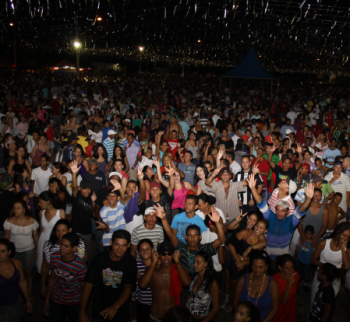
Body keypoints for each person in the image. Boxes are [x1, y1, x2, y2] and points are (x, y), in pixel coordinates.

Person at [247, 174, 314, 259]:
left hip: (283, 254)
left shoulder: (291, 218)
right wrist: (253, 188)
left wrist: (308, 199)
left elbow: (300, 211)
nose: (279, 212)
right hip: (267, 250)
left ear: (288, 211)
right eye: (277, 209)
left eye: (283, 211)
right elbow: (261, 203)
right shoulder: (271, 213)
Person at [78, 230, 137, 322]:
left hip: (120, 312)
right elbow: (88, 285)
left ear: (129, 245)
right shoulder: (99, 259)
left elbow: (129, 287)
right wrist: (82, 312)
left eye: (123, 245)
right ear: (111, 243)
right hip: (100, 311)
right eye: (117, 244)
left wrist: (115, 307)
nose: (119, 248)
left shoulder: (130, 262)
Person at [138, 241, 191, 321]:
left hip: (172, 318)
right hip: (154, 317)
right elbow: (142, 285)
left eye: (169, 254)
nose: (166, 257)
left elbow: (187, 283)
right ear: (159, 255)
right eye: (163, 254)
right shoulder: (153, 271)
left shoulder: (179, 270)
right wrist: (153, 263)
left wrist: (177, 261)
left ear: (173, 255)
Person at [43, 232, 87, 322]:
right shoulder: (55, 257)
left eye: (66, 246)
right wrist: (47, 300)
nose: (62, 248)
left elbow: (84, 288)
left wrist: (82, 310)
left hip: (74, 302)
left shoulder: (80, 266)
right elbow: (52, 277)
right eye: (61, 244)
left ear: (74, 248)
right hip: (57, 299)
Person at [309, 222, 350, 312]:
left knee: (326, 306)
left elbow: (346, 267)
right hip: (321, 275)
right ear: (338, 232)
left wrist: (343, 248)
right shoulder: (324, 243)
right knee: (314, 303)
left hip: (335, 279)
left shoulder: (347, 248)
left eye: (348, 237)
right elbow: (313, 260)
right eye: (344, 235)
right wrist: (327, 267)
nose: (345, 239)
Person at [41, 219, 87, 298]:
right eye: (58, 230)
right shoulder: (49, 245)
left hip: (73, 283)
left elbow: (84, 259)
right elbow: (45, 266)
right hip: (56, 283)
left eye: (63, 230)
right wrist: (42, 285)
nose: (60, 233)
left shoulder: (78, 243)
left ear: (69, 230)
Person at [4, 200, 39, 300]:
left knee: (28, 273)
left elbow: (35, 237)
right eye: (14, 208)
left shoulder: (32, 221)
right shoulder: (9, 221)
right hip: (14, 252)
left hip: (28, 251)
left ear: (24, 209)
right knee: (15, 274)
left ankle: (29, 293)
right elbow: (6, 239)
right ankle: (19, 294)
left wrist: (37, 250)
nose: (16, 210)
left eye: (18, 208)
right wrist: (6, 252)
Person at [233, 251, 279, 322]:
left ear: (266, 267)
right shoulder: (242, 280)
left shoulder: (272, 284)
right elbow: (235, 303)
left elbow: (274, 308)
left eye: (261, 267)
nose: (257, 270)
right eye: (254, 266)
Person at [0, 238, 33, 322]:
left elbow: (22, 282)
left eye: (3, 251)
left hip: (16, 303)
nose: (0, 254)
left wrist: (28, 300)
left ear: (9, 252)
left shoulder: (16, 263)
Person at [70, 160, 95, 258]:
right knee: (75, 255)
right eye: (84, 188)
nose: (87, 191)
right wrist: (74, 174)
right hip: (77, 231)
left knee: (86, 254)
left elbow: (93, 215)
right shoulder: (77, 196)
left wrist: (94, 202)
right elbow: (74, 187)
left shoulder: (90, 198)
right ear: (80, 188)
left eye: (89, 188)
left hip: (87, 232)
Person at [36, 191, 66, 273]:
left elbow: (65, 230)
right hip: (43, 240)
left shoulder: (60, 213)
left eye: (40, 202)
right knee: (43, 265)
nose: (39, 204)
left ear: (47, 202)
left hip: (55, 241)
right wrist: (37, 246)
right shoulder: (41, 213)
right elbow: (41, 230)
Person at [186, 251, 220, 322]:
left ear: (206, 264)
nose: (195, 265)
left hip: (202, 319)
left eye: (198, 262)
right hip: (189, 318)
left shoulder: (212, 283)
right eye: (194, 262)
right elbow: (190, 296)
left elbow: (215, 308)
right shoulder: (194, 278)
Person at [272, 255, 299, 322]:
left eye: (292, 267)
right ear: (280, 267)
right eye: (286, 268)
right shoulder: (274, 281)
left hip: (291, 315)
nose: (290, 271)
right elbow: (283, 301)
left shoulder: (296, 275)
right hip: (279, 315)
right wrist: (288, 285)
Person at [134, 239, 154, 322]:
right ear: (138, 252)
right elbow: (133, 291)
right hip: (141, 304)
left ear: (152, 250)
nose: (145, 251)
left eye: (147, 249)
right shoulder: (135, 265)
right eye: (141, 250)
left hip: (155, 305)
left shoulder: (158, 265)